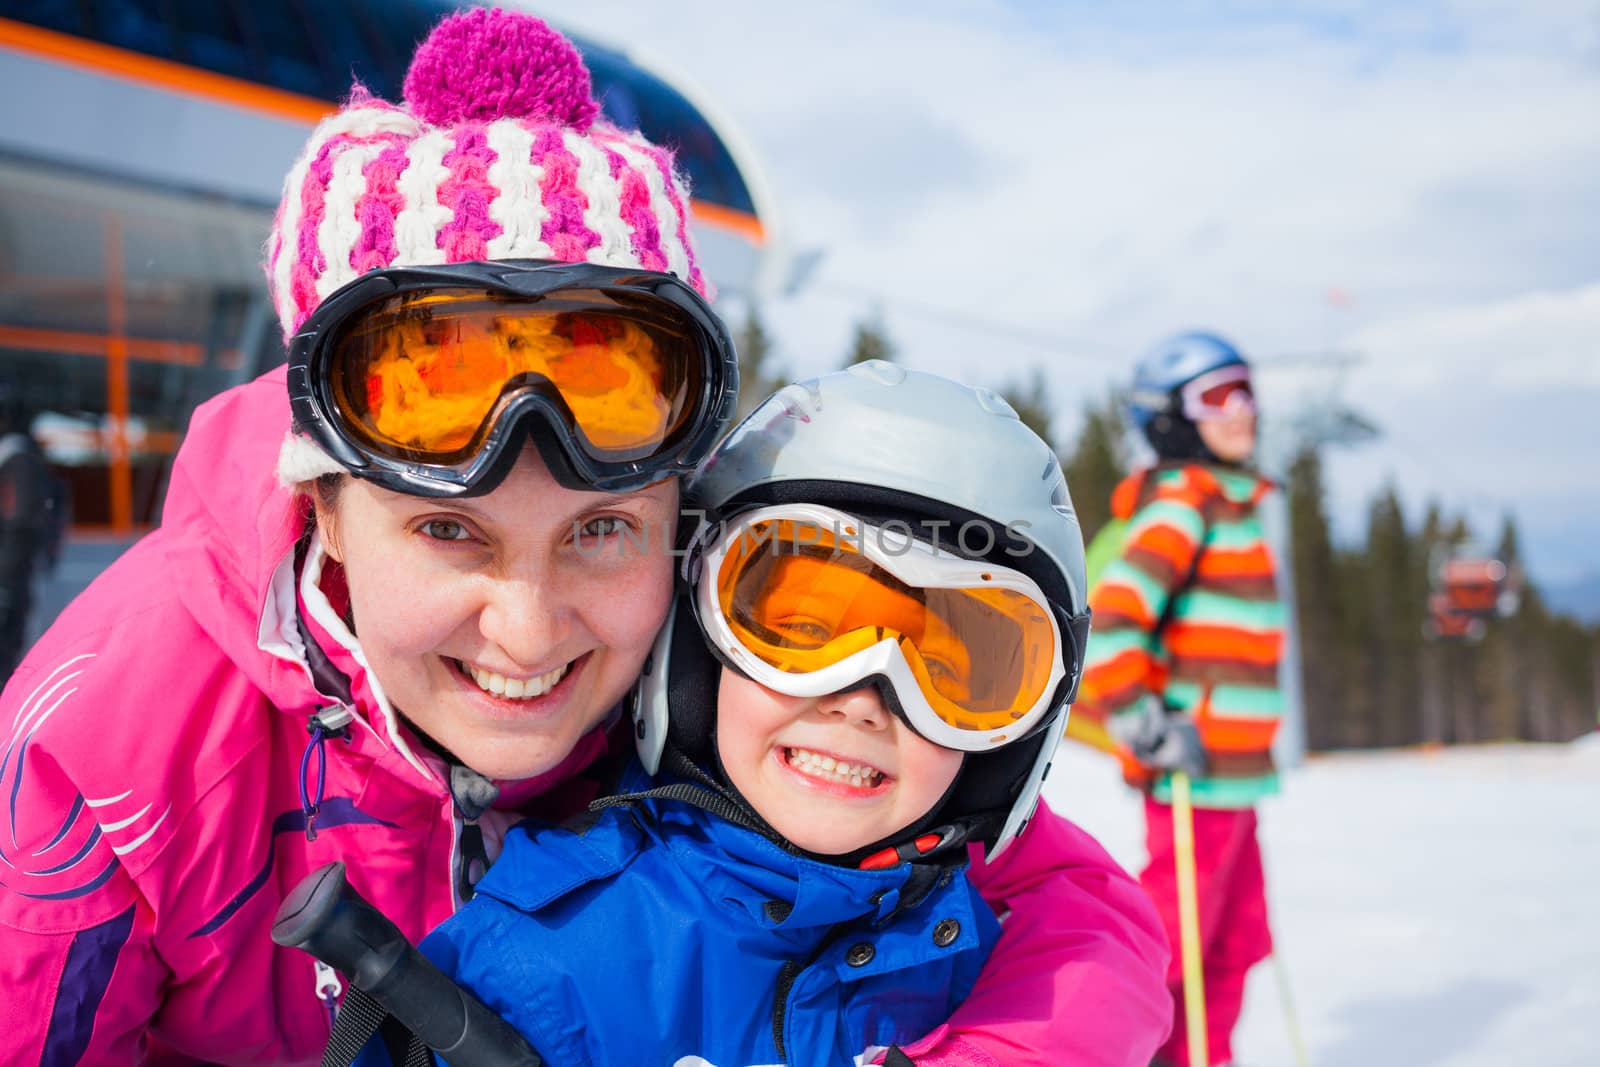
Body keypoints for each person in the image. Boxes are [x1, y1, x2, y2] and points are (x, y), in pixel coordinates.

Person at [0, 10, 1168, 1065]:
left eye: (601, 529)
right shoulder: (116, 745)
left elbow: (1070, 900)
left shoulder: (730, 666)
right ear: (324, 512)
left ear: (683, 522)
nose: (529, 630)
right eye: (450, 531)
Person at [366, 364, 1097, 1066]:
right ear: (695, 648)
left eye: (944, 674)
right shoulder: (539, 965)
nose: (862, 699)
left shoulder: (985, 967)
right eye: (802, 635)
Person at [1072, 332, 1284, 1067]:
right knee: (1172, 931)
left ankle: (1199, 1054)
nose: (1243, 411)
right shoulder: (1182, 506)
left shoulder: (1233, 507)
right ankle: (1110, 1046)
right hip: (1194, 767)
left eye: (1247, 390)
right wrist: (1137, 715)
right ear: (1170, 416)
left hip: (1236, 773)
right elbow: (1116, 618)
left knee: (1238, 934)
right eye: (1219, 395)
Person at [0, 383, 57, 678]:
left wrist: (6, 579)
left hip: (12, 578)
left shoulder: (17, 458)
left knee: (8, 651)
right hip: (13, 575)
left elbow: (19, 520)